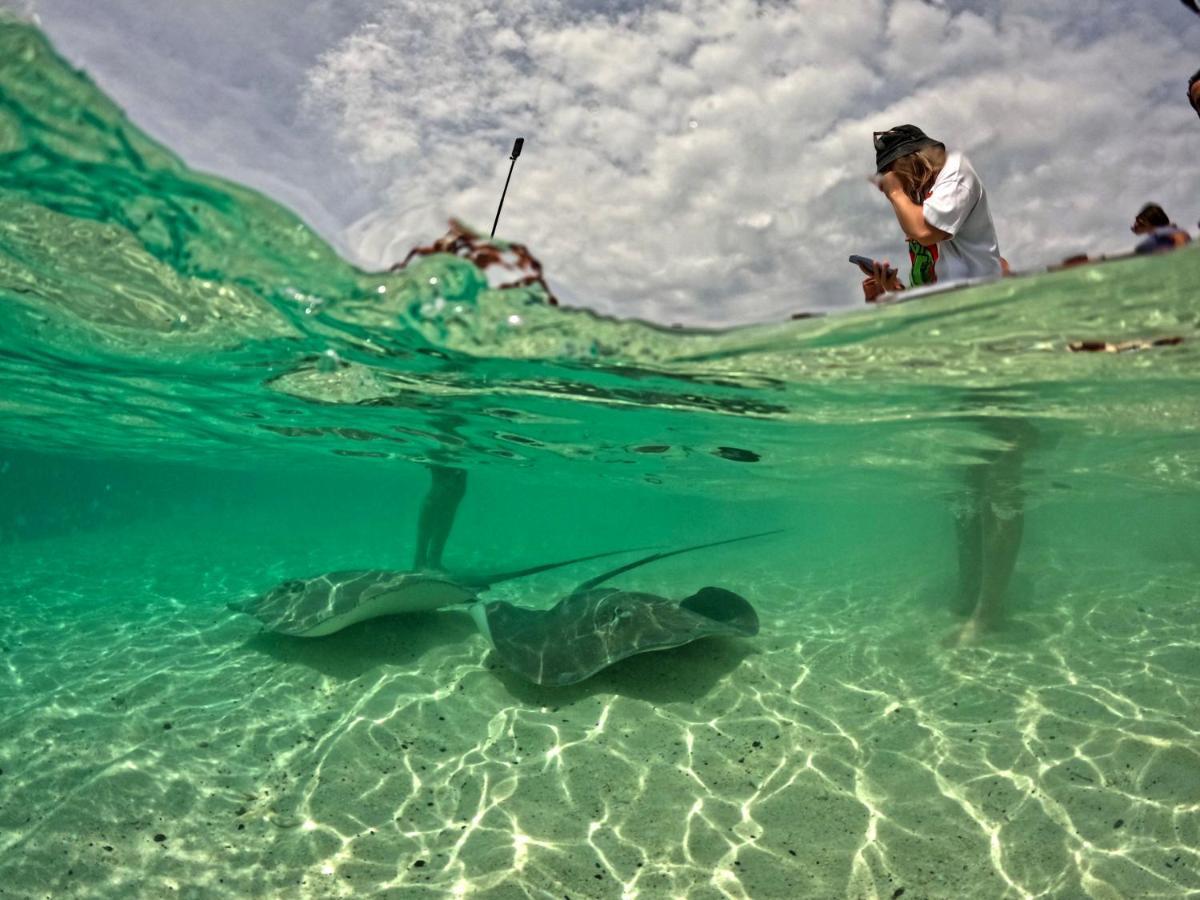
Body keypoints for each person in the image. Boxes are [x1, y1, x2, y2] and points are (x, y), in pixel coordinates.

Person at [861, 125, 1003, 301]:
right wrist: (894, 289)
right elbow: (931, 287)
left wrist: (895, 192)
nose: (890, 183)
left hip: (978, 299)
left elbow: (925, 233)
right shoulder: (920, 199)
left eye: (894, 174)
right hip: (950, 306)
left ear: (914, 160)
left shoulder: (955, 170)